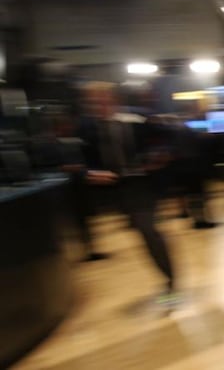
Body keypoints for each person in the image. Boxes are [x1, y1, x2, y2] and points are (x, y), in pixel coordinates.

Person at [76, 81, 176, 298]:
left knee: (147, 229)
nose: (96, 105)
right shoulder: (88, 128)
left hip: (144, 185)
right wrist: (90, 174)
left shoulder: (137, 119)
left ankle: (170, 279)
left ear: (112, 99)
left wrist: (159, 157)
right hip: (118, 189)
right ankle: (166, 275)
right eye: (91, 102)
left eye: (99, 100)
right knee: (143, 231)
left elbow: (166, 139)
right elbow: (81, 162)